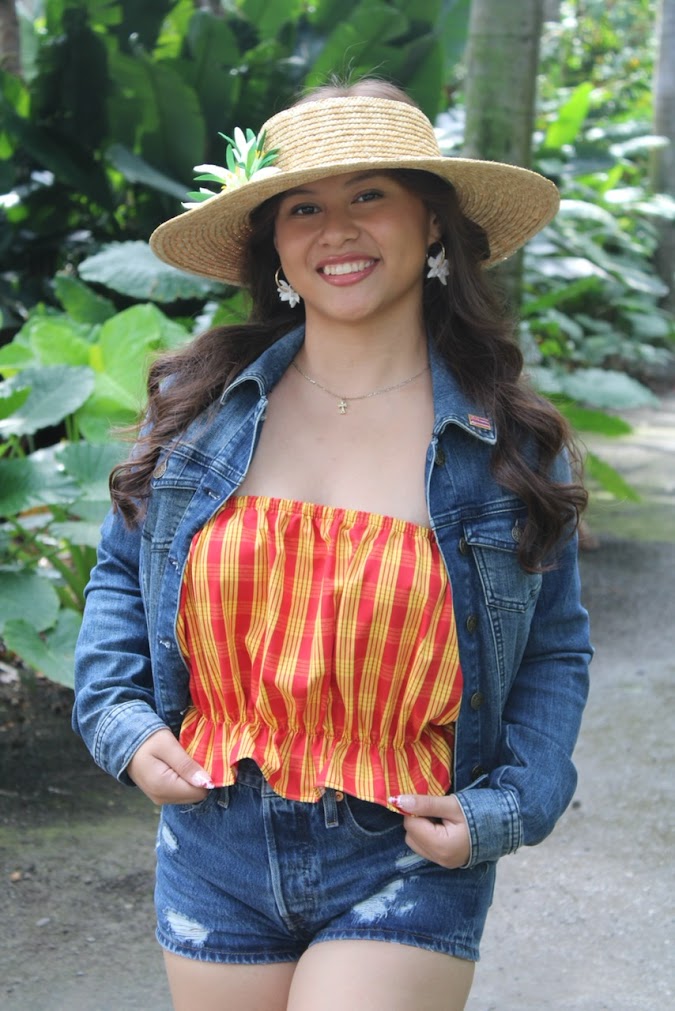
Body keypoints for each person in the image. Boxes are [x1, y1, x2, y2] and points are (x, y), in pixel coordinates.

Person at [73, 78, 592, 1011]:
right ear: (272, 240)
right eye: (303, 206)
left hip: (404, 846)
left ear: (431, 219)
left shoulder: (505, 444)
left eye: (368, 196)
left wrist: (509, 804)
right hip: (213, 840)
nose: (335, 230)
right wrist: (122, 721)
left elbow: (554, 645)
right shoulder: (198, 415)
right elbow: (121, 573)